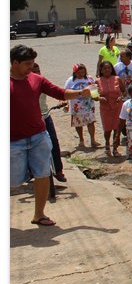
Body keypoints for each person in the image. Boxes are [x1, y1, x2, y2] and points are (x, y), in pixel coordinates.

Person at [10, 45, 93, 226]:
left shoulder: (36, 79)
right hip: (12, 142)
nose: (31, 68)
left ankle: (39, 214)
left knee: (42, 173)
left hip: (38, 136)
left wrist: (80, 93)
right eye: (27, 64)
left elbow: (59, 92)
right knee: (13, 180)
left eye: (32, 64)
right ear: (15, 63)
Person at [32, 63, 66, 183]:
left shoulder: (42, 82)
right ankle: (30, 170)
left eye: (38, 70)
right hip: (30, 119)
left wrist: (61, 101)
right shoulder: (24, 85)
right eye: (33, 71)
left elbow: (56, 92)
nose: (37, 73)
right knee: (29, 145)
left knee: (54, 143)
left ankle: (58, 171)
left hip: (45, 116)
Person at [64, 63, 99, 149]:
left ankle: (93, 140)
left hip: (88, 106)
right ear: (75, 72)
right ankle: (81, 140)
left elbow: (94, 89)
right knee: (78, 124)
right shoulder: (70, 81)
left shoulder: (89, 78)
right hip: (76, 107)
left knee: (91, 122)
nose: (81, 74)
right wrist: (66, 104)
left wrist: (96, 97)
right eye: (79, 72)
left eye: (83, 72)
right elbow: (65, 93)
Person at [95, 60, 124, 156]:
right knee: (107, 129)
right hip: (105, 108)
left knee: (117, 128)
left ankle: (115, 148)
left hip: (117, 107)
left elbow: (124, 91)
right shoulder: (97, 81)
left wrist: (121, 97)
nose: (107, 70)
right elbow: (93, 96)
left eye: (109, 68)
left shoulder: (117, 78)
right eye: (105, 68)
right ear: (101, 70)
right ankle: (107, 144)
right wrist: (99, 98)